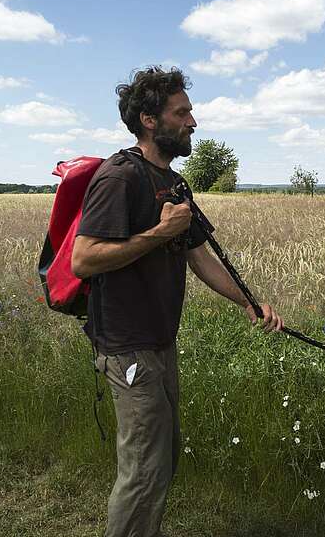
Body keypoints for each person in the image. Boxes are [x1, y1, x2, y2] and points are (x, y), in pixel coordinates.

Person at [71, 66, 283, 537]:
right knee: (144, 471)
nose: (193, 122)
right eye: (182, 112)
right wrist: (157, 233)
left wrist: (247, 303)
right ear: (150, 120)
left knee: (161, 459)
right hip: (127, 346)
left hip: (159, 343)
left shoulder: (172, 181)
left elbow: (199, 256)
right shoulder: (119, 177)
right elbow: (83, 260)